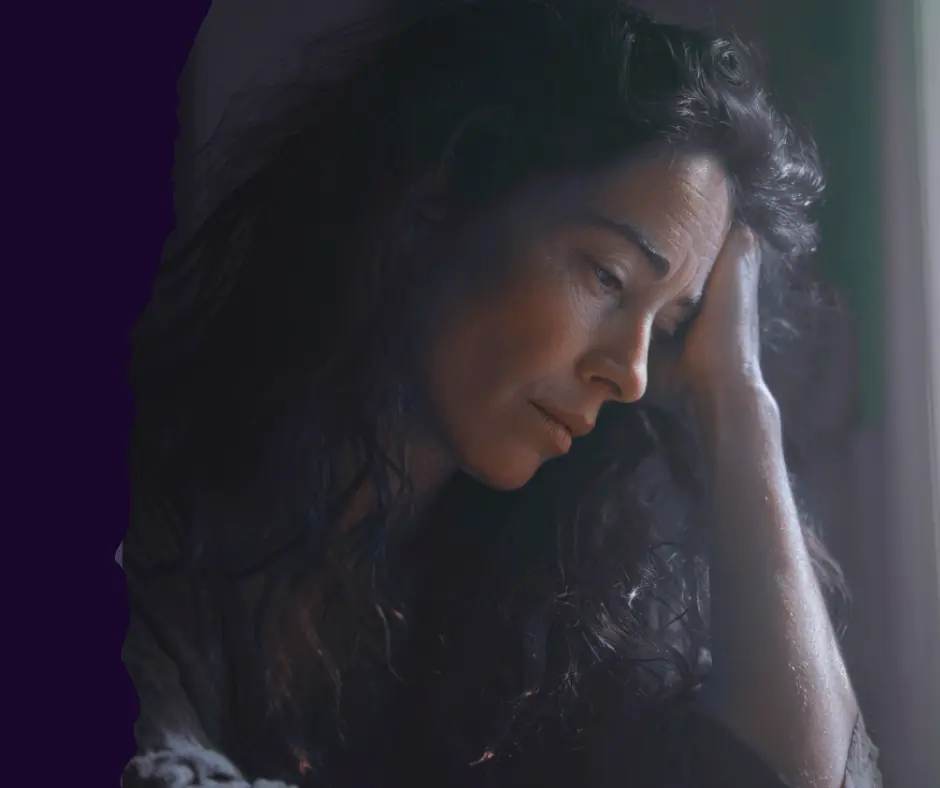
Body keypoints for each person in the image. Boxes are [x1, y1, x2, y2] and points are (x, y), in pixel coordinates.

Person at [122, 1, 883, 786]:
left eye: (667, 328)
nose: (632, 374)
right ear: (431, 213)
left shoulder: (557, 602)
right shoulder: (147, 526)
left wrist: (740, 404)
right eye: (607, 277)